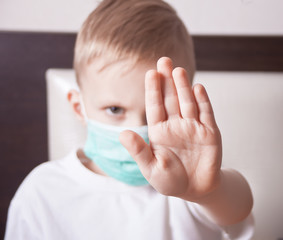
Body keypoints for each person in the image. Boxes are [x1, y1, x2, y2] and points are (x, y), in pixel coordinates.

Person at [5, 0, 254, 239]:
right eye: (114, 109)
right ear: (79, 108)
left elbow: (237, 208)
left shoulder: (189, 181)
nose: (135, 131)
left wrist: (205, 191)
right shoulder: (43, 190)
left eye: (156, 113)